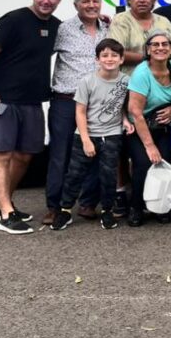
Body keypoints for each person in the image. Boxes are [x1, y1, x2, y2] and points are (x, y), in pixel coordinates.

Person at [0, 0, 63, 233]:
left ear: (58, 0)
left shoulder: (57, 26)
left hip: (33, 101)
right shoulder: (13, 20)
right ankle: (6, 213)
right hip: (3, 100)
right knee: (1, 154)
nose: (46, 1)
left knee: (25, 156)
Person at [44, 0, 110, 226]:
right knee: (60, 154)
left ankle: (88, 203)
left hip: (97, 103)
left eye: (95, 1)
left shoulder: (108, 28)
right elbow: (40, 54)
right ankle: (54, 206)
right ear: (75, 6)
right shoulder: (63, 29)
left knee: (93, 153)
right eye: (85, 2)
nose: (91, 5)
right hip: (66, 101)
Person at [51, 39, 130, 231]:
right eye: (104, 55)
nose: (109, 59)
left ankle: (107, 211)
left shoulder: (126, 81)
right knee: (75, 174)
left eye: (114, 55)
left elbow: (124, 106)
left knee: (108, 176)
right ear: (97, 59)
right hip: (86, 134)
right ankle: (65, 210)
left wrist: (125, 120)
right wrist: (86, 140)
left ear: (121, 59)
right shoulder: (88, 81)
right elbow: (80, 112)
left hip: (112, 134)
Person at [125, 32, 171, 227]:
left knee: (163, 165)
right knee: (143, 164)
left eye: (165, 44)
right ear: (148, 50)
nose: (160, 48)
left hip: (161, 127)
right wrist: (149, 146)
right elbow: (136, 113)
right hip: (138, 129)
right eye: (155, 45)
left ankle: (160, 207)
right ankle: (136, 207)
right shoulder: (141, 73)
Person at [111, 0, 171, 74]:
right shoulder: (121, 20)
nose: (142, 0)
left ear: (153, 0)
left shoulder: (164, 22)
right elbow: (116, 53)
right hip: (129, 80)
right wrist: (151, 57)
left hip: (161, 79)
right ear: (129, 0)